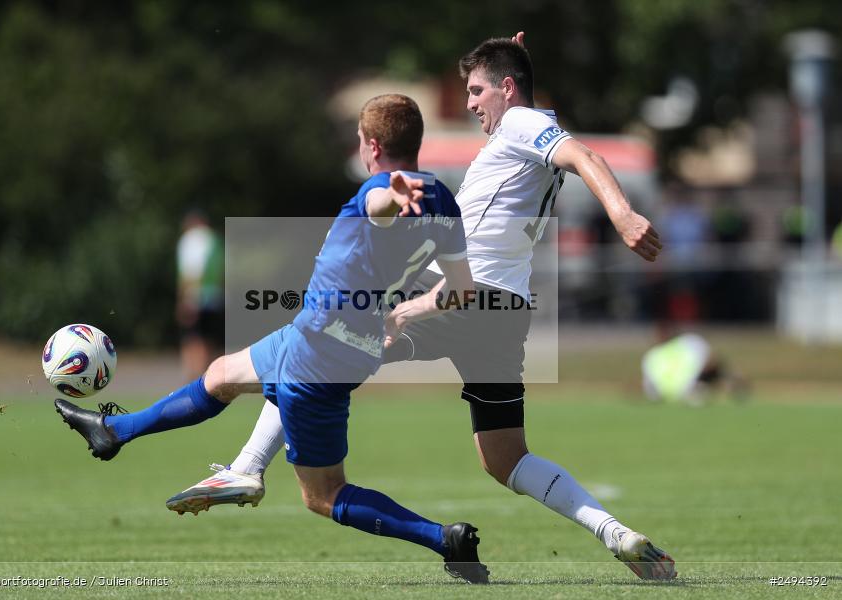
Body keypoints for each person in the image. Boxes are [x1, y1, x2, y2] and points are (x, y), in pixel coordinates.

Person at [167, 33, 675, 581]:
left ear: (509, 88)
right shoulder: (529, 125)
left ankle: (246, 468)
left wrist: (622, 215)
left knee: (319, 346)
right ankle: (613, 531)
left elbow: (584, 155)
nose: (472, 102)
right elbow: (550, 130)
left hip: (454, 297)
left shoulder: (521, 124)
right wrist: (509, 51)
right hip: (504, 313)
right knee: (505, 458)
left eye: (478, 90)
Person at [55, 94, 490, 584]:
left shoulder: (379, 188)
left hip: (320, 351)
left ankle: (443, 539)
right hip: (331, 337)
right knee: (220, 375)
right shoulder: (443, 201)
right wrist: (408, 311)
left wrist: (390, 190)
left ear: (372, 145)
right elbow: (461, 289)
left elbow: (379, 205)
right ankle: (116, 433)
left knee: (323, 495)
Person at [176, 210, 225, 382]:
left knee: (193, 339)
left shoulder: (191, 239)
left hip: (196, 297)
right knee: (211, 340)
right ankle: (211, 379)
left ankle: (195, 382)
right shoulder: (215, 240)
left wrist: (185, 300)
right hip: (215, 298)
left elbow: (191, 272)